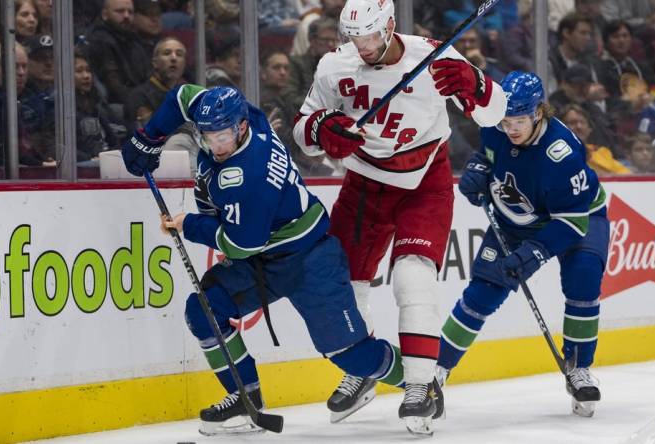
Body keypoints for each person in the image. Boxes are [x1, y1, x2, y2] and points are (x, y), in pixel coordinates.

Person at [120, 85, 407, 435]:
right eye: (206, 136)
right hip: (265, 258)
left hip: (308, 260)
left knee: (351, 356)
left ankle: (419, 381)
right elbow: (181, 97)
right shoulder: (248, 115)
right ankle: (246, 396)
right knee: (204, 310)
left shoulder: (249, 175)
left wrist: (188, 224)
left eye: (222, 136)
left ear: (240, 128)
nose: (214, 146)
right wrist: (150, 137)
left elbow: (240, 244)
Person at [292, 0, 506, 434]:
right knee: (344, 287)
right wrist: (321, 130)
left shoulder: (435, 54)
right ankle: (363, 367)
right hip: (364, 185)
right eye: (356, 38)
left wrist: (476, 82)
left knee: (413, 276)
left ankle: (421, 385)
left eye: (371, 36)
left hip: (424, 179)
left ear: (390, 26)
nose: (364, 47)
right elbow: (302, 129)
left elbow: (495, 113)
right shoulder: (335, 66)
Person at [437, 71, 609, 418]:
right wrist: (477, 169)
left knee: (584, 278)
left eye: (519, 120)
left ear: (538, 113)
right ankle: (435, 373)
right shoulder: (493, 123)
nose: (510, 128)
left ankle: (578, 366)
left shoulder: (561, 154)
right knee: (482, 293)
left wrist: (534, 253)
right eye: (505, 120)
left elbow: (572, 222)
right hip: (515, 219)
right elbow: (487, 154)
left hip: (577, 217)